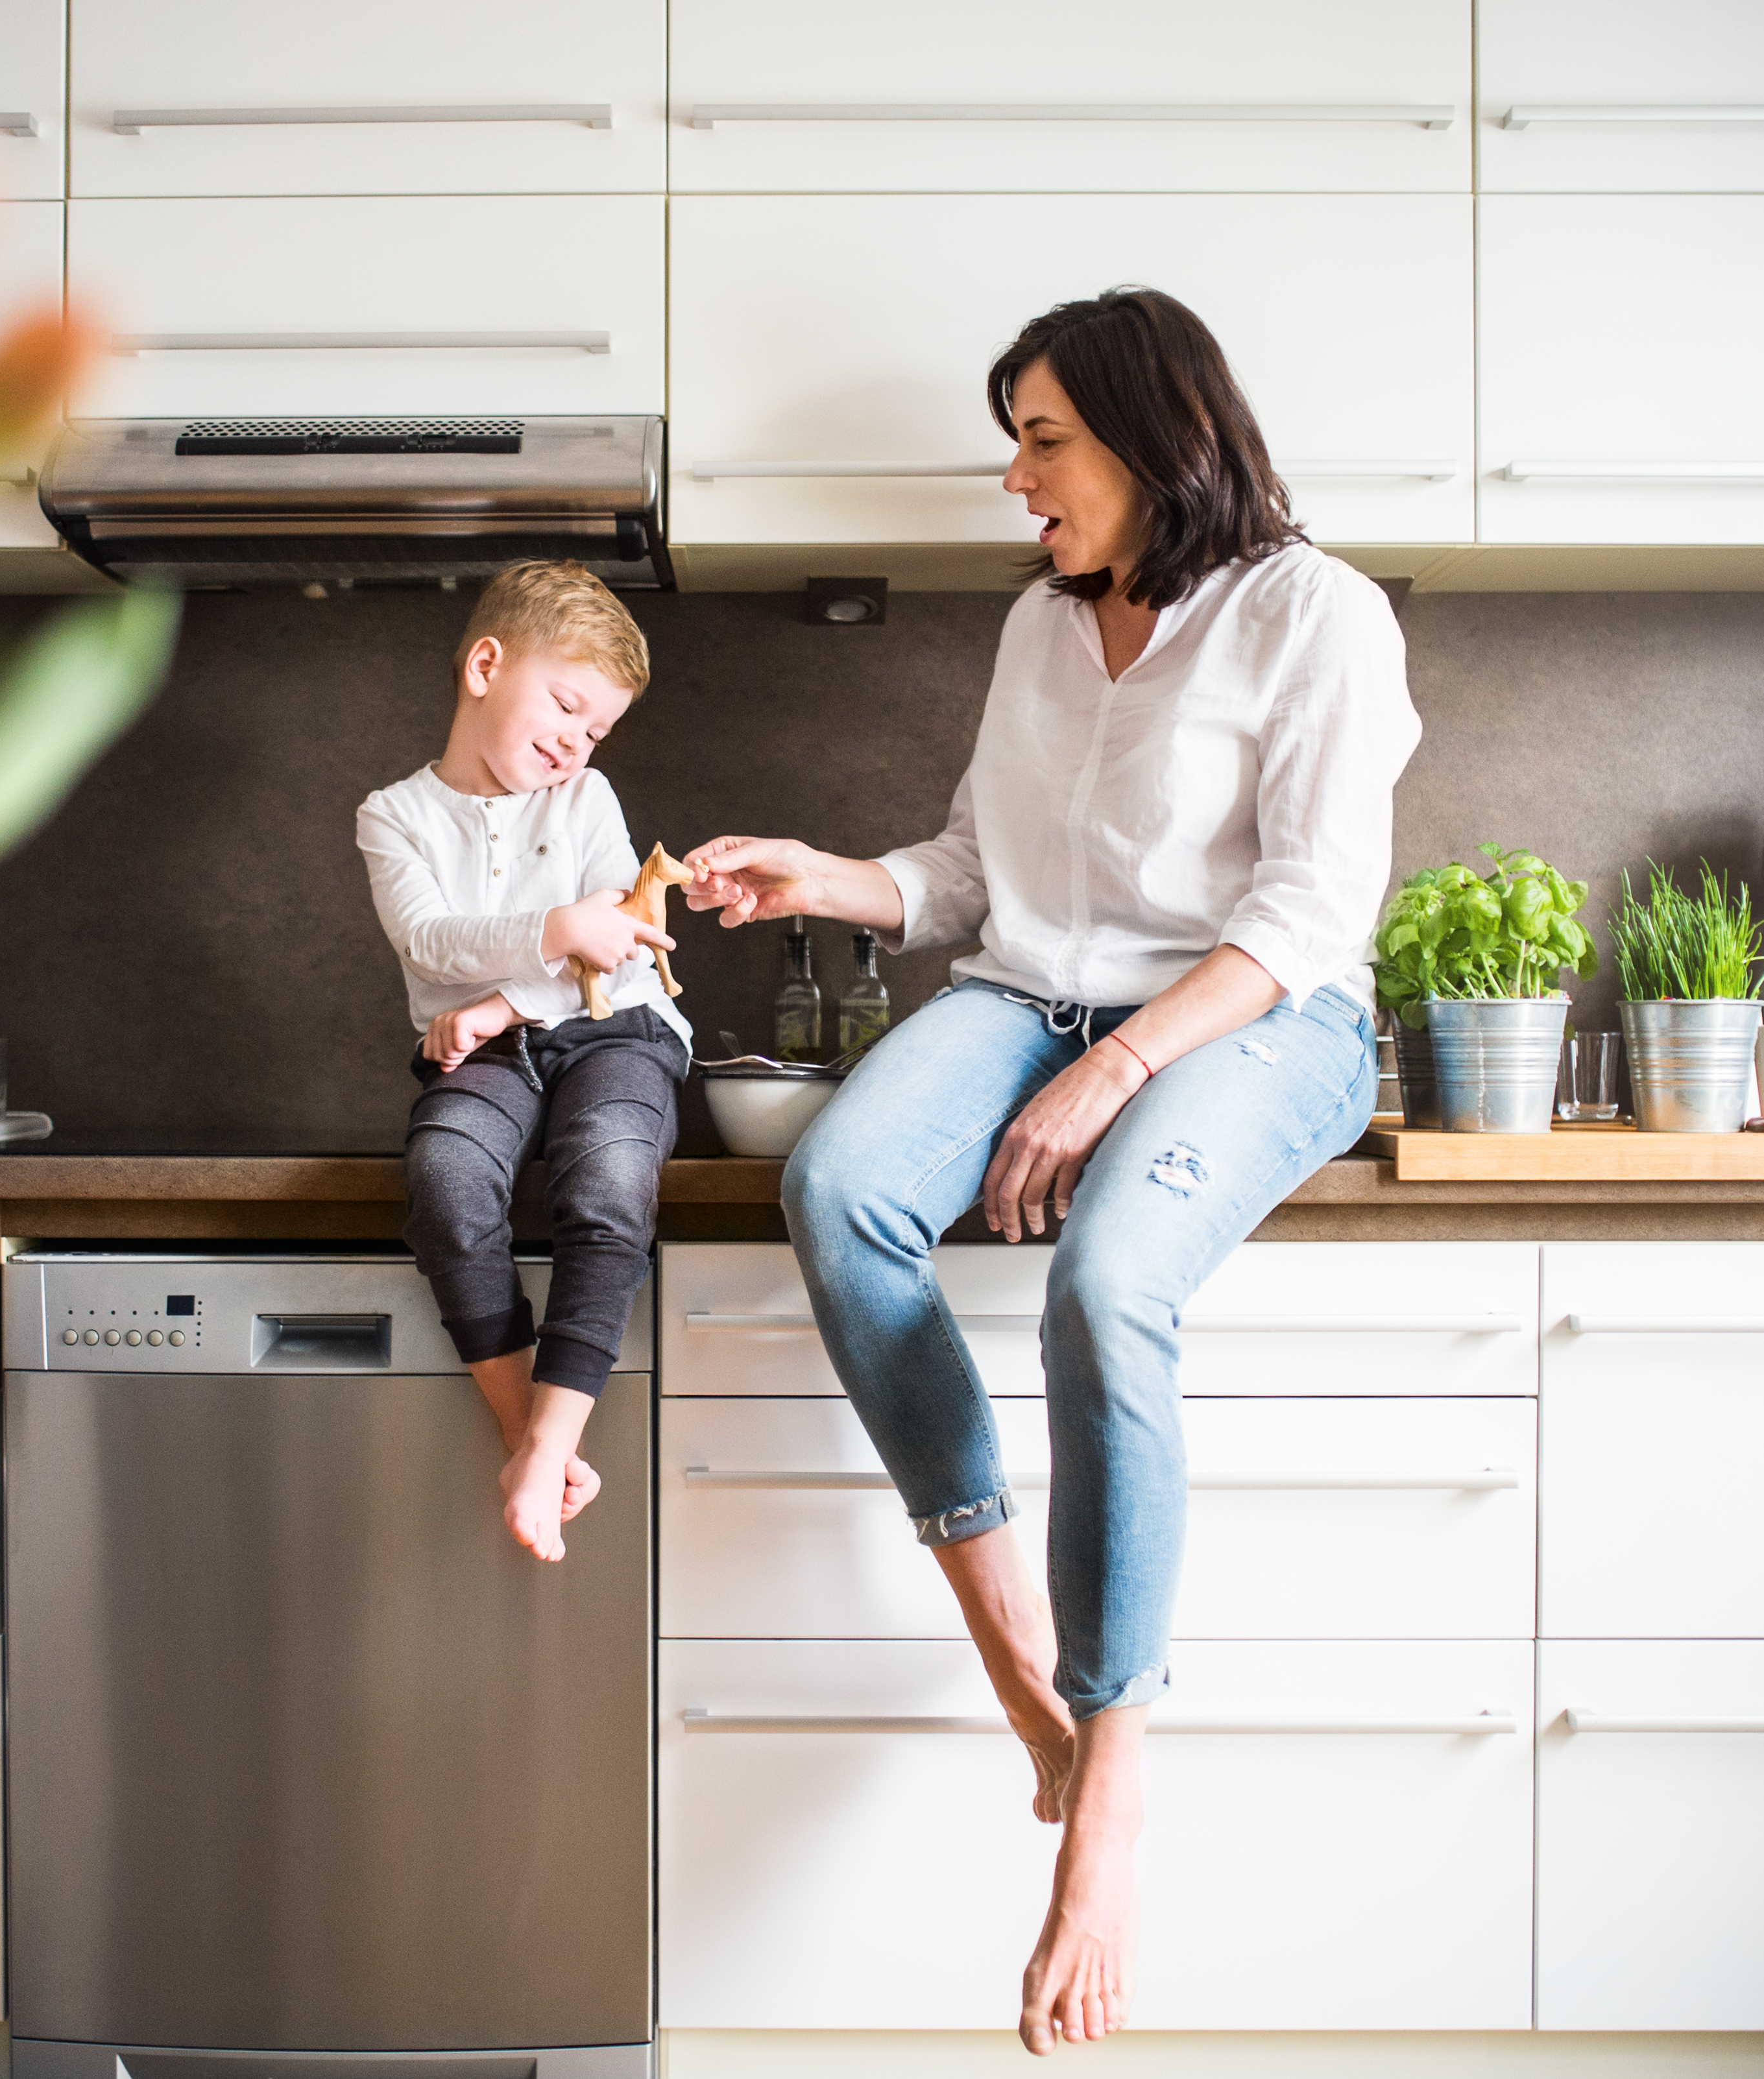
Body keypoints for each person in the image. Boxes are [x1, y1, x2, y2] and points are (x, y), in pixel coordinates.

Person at [683, 288, 1420, 2053]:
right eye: (1014, 439)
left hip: (1259, 1014)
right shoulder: (1039, 628)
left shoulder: (1316, 614)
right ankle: (1018, 1637)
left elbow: (1308, 917)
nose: (1017, 480)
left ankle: (1112, 1775)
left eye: (1042, 439)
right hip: (1033, 993)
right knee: (842, 1184)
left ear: (1153, 434)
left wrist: (1112, 1074)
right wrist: (825, 876)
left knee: (1107, 1283)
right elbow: (974, 872)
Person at [357, 560, 690, 1561]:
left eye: (595, 730)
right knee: (447, 1177)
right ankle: (523, 1433)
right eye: (565, 705)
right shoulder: (392, 817)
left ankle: (553, 1441)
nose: (574, 743)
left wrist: (506, 994)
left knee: (612, 1175)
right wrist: (556, 930)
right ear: (486, 664)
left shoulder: (586, 799)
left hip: (616, 1031)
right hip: (493, 1049)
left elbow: (617, 948)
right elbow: (430, 941)